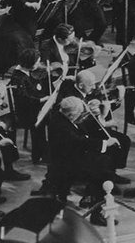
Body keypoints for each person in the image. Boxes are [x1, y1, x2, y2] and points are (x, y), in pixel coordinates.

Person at [45, 96, 120, 225]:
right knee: (104, 172)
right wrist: (105, 143)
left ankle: (91, 195)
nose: (82, 116)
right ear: (71, 115)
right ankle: (96, 214)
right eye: (80, 113)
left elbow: (80, 133)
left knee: (104, 160)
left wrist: (95, 115)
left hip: (71, 156)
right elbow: (78, 141)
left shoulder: (62, 116)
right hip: (66, 164)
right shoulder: (60, 125)